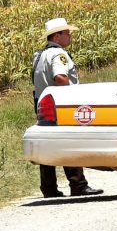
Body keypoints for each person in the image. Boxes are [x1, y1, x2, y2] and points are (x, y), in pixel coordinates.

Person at [32, 18, 103, 198]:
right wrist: (73, 94)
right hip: (61, 104)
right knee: (69, 142)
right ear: (57, 35)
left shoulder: (39, 55)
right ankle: (78, 185)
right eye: (66, 33)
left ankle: (48, 188)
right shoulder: (58, 54)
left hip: (43, 104)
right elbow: (60, 77)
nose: (70, 36)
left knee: (47, 145)